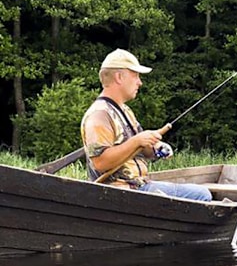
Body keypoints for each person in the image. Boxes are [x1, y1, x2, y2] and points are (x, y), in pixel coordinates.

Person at [81, 48, 212, 201]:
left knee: (199, 192)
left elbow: (140, 149)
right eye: (135, 75)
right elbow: (100, 162)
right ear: (119, 77)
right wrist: (137, 140)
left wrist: (156, 148)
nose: (140, 82)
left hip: (139, 186)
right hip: (120, 193)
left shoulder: (125, 110)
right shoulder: (100, 114)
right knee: (201, 195)